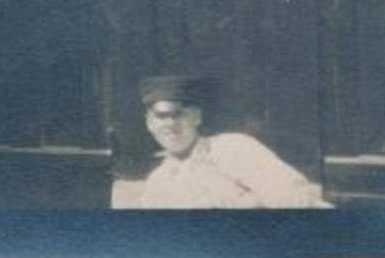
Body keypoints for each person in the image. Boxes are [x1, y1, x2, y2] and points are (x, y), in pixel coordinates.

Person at [128, 75, 329, 209]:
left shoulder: (234, 148)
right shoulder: (157, 183)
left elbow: (297, 199)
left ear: (196, 117)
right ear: (149, 123)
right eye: (161, 117)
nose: (170, 124)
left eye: (178, 114)